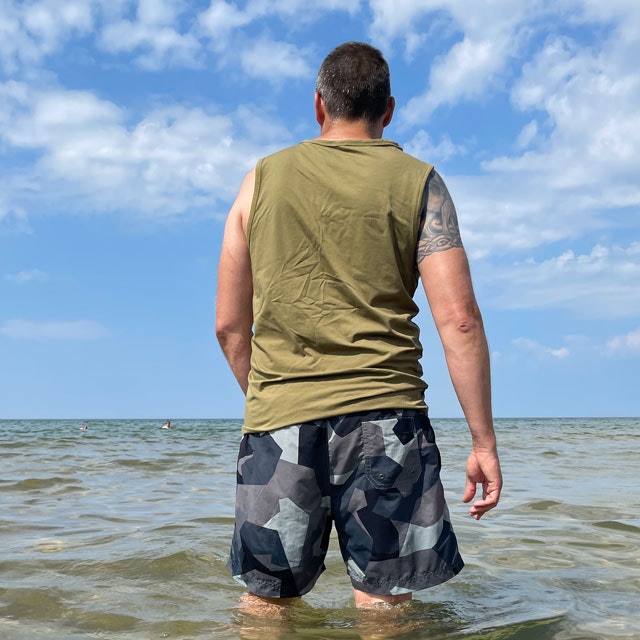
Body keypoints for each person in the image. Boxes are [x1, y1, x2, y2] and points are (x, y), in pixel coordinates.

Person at [216, 41, 502, 609]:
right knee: (384, 603)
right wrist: (483, 441)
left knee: (267, 604)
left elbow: (229, 325)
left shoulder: (261, 180)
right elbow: (460, 322)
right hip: (387, 422)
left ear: (318, 105)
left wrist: (274, 402)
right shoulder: (420, 182)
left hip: (280, 420)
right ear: (388, 110)